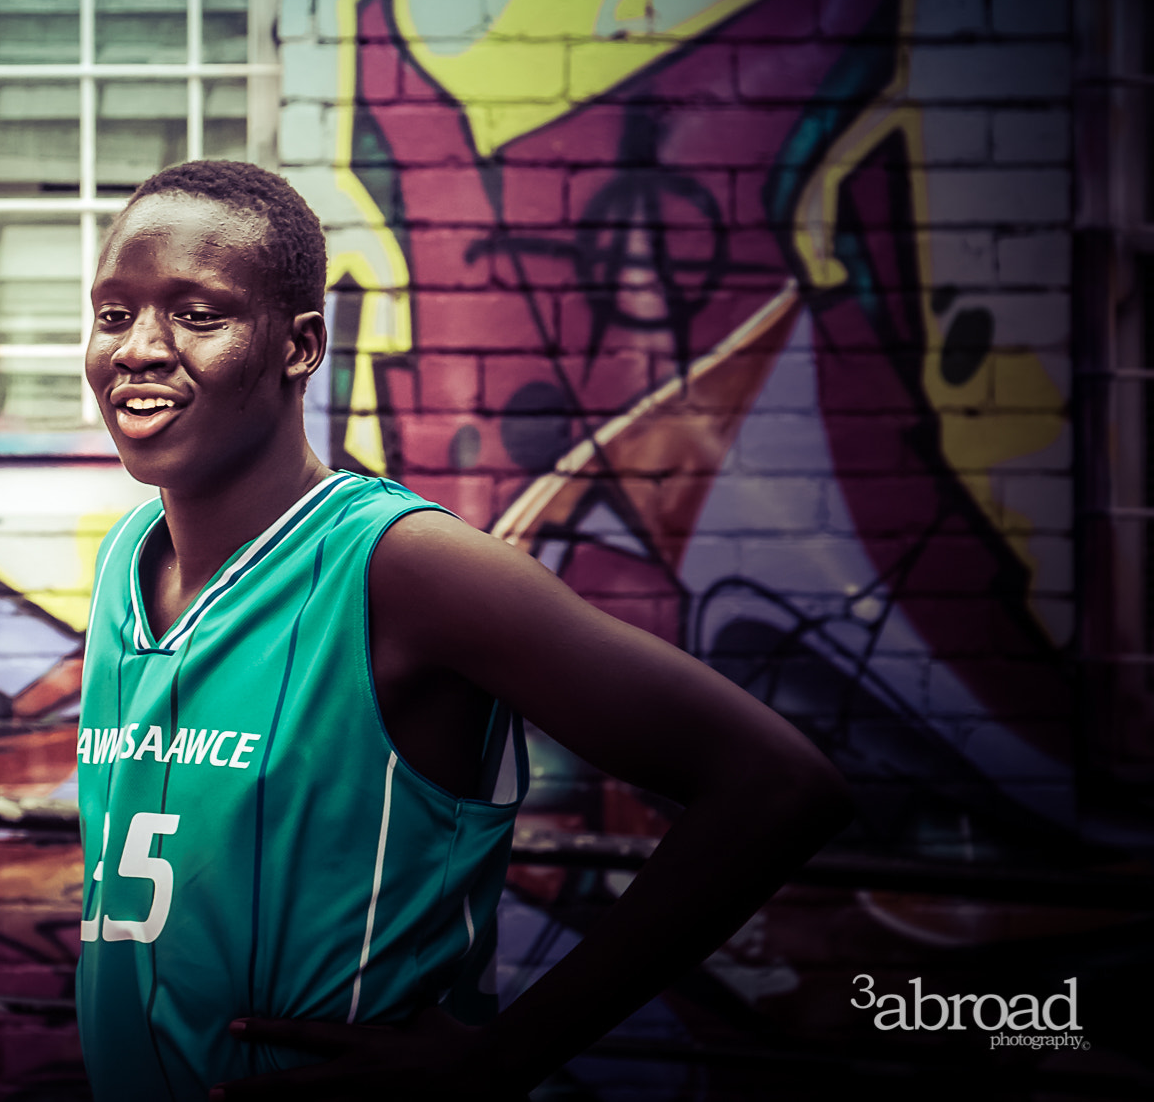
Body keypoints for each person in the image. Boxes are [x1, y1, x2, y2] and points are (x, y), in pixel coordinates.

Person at [74, 160, 852, 1100]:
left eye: (198, 315)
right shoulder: (128, 558)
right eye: (115, 314)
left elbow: (777, 785)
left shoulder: (402, 565)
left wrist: (501, 1054)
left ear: (299, 345)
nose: (139, 349)